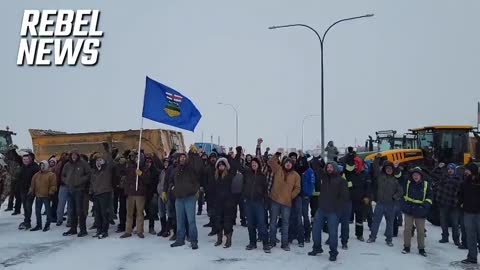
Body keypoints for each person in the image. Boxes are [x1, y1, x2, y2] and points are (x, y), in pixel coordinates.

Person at [308, 162, 349, 262]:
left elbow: (345, 196)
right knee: (315, 230)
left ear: (335, 168)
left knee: (333, 233)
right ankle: (317, 248)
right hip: (321, 209)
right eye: (328, 167)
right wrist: (316, 160)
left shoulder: (341, 180)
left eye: (331, 167)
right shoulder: (324, 178)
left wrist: (337, 209)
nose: (329, 169)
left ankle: (333, 252)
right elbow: (316, 168)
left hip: (333, 211)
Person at [170, 146, 203, 250]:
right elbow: (170, 180)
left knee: (191, 221)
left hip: (189, 198)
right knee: (180, 221)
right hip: (179, 198)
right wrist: (172, 188)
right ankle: (180, 240)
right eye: (181, 158)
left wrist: (195, 154)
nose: (183, 159)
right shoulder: (175, 170)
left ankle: (193, 241)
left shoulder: (191, 169)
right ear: (178, 159)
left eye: (184, 157)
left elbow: (199, 169)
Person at [267, 152, 301, 251]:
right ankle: (272, 242)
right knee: (273, 222)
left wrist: (291, 196)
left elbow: (297, 188)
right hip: (275, 200)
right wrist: (277, 154)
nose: (288, 164)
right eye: (286, 162)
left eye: (290, 163)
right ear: (284, 163)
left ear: (292, 165)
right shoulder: (278, 169)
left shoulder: (296, 175)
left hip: (287, 203)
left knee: (285, 224)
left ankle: (284, 244)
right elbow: (271, 162)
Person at [240, 145, 269, 252]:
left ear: (258, 165)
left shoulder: (262, 176)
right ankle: (252, 243)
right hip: (248, 202)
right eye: (252, 163)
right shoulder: (247, 174)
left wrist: (266, 203)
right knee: (250, 224)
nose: (253, 165)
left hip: (259, 203)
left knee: (262, 224)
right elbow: (239, 167)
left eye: (255, 163)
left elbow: (266, 190)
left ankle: (266, 243)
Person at [367, 161, 403, 246]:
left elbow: (400, 191)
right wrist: (377, 159)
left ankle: (389, 239)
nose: (389, 170)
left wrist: (395, 197)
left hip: (391, 205)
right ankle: (372, 237)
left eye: (390, 169)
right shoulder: (380, 177)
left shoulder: (395, 179)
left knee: (390, 223)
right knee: (375, 221)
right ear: (384, 169)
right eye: (387, 168)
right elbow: (375, 169)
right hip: (380, 204)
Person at [401, 167, 432, 257]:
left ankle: (421, 249)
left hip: (420, 211)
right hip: (409, 210)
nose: (415, 176)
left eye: (417, 175)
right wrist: (404, 206)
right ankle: (406, 247)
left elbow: (430, 197)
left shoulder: (426, 184)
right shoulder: (407, 183)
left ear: (421, 176)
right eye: (414, 175)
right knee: (407, 230)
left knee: (421, 231)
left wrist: (424, 207)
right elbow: (402, 195)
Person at [342, 153, 370, 248]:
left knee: (359, 219)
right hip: (349, 200)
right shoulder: (349, 173)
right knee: (346, 219)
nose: (356, 165)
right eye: (354, 163)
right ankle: (344, 234)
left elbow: (368, 187)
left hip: (361, 200)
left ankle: (359, 234)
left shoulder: (365, 174)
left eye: (357, 163)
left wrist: (367, 197)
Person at [213, 151, 240, 249]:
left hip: (228, 202)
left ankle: (228, 239)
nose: (221, 166)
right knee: (218, 221)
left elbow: (235, 167)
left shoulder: (229, 175)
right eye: (219, 165)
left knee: (227, 221)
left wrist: (229, 157)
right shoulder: (215, 176)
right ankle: (219, 238)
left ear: (225, 166)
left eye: (222, 165)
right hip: (218, 202)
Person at [62, 149, 91, 237]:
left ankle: (83, 229)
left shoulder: (83, 164)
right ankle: (73, 228)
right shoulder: (67, 165)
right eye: (72, 155)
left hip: (79, 190)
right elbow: (63, 175)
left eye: (75, 155)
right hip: (70, 190)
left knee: (80, 210)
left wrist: (81, 180)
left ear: (78, 155)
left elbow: (89, 174)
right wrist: (66, 181)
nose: (74, 156)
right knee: (71, 211)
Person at [121, 151, 148, 239]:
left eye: (138, 158)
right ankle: (128, 230)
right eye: (135, 157)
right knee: (129, 213)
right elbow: (124, 176)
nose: (136, 159)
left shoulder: (144, 167)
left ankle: (140, 230)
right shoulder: (130, 167)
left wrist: (141, 174)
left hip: (140, 193)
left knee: (139, 213)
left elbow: (148, 180)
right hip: (131, 193)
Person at [90, 152, 115, 239]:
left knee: (104, 213)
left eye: (100, 160)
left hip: (105, 193)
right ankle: (99, 229)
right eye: (97, 160)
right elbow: (92, 182)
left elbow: (111, 163)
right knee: (97, 213)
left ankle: (105, 230)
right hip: (96, 194)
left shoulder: (107, 169)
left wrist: (108, 152)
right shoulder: (94, 171)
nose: (98, 162)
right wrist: (91, 191)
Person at [459, 163, 480, 264]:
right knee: (470, 236)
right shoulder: (464, 183)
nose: (465, 171)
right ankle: (472, 257)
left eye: (467, 170)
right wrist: (461, 203)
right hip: (468, 213)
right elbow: (461, 196)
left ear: (472, 170)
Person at [436, 163, 461, 245]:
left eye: (452, 169)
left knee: (455, 223)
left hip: (454, 204)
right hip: (443, 203)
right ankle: (445, 237)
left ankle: (456, 239)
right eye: (449, 169)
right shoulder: (443, 177)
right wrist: (438, 168)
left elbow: (460, 192)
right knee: (443, 222)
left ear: (454, 170)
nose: (450, 170)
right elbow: (433, 175)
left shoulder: (459, 179)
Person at [29, 160, 57, 232]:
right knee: (37, 211)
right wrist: (31, 191)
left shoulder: (51, 175)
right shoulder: (36, 175)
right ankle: (39, 224)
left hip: (46, 196)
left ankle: (47, 224)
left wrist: (51, 192)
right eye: (41, 165)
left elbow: (53, 185)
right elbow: (32, 184)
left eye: (43, 165)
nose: (42, 167)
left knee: (48, 211)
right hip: (38, 195)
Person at [18, 153, 40, 230]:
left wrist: (32, 188)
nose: (25, 161)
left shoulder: (35, 167)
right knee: (25, 206)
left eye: (27, 159)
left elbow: (37, 179)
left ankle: (27, 222)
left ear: (30, 159)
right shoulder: (22, 167)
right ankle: (26, 221)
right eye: (24, 160)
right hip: (23, 189)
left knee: (28, 206)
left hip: (30, 190)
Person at [202, 152, 218, 236]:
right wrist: (205, 189)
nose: (213, 159)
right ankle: (211, 222)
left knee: (216, 211)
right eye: (211, 157)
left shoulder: (218, 168)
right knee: (210, 210)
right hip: (209, 192)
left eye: (214, 157)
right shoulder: (207, 168)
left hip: (217, 193)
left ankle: (215, 228)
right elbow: (204, 180)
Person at [143, 156, 159, 235]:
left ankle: (151, 227)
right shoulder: (143, 170)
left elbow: (156, 183)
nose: (148, 163)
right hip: (144, 193)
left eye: (149, 162)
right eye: (147, 162)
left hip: (152, 193)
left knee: (152, 211)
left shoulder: (155, 171)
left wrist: (155, 193)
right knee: (144, 210)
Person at [55, 153, 70, 226]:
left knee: (61, 203)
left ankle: (59, 220)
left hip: (63, 185)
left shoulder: (60, 163)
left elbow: (57, 174)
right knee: (69, 204)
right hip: (68, 185)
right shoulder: (71, 163)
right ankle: (69, 220)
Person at [157, 158, 170, 237]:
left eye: (167, 163)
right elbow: (160, 182)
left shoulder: (170, 171)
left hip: (167, 195)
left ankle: (167, 229)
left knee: (168, 212)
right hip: (160, 194)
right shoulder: (162, 172)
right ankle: (163, 228)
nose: (165, 164)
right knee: (161, 212)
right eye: (164, 162)